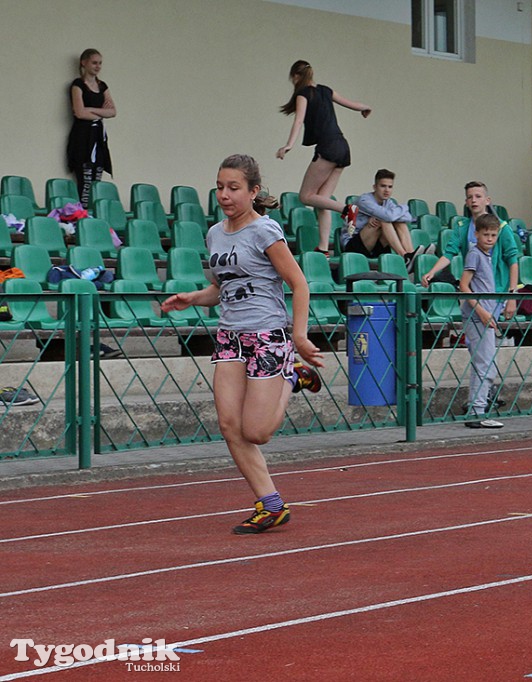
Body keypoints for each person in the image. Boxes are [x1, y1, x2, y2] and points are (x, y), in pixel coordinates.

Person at [161, 154, 324, 535]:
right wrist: (193, 297)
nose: (224, 195)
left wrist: (299, 336)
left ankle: (292, 376)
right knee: (229, 425)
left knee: (257, 432)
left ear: (253, 191)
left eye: (233, 188)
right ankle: (270, 504)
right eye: (219, 187)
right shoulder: (215, 234)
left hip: (267, 335)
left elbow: (299, 284)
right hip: (229, 337)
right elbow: (222, 288)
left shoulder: (266, 232)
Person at [276, 60, 371, 254]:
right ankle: (323, 248)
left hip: (328, 147)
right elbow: (351, 104)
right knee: (322, 200)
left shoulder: (303, 94)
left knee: (306, 196)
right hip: (342, 146)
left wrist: (289, 145)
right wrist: (364, 107)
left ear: (296, 76)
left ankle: (347, 209)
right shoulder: (326, 90)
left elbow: (299, 120)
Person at [421, 181, 520, 315]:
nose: (474, 200)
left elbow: (512, 261)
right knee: (474, 333)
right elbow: (449, 253)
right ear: (466, 202)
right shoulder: (462, 227)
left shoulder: (502, 228)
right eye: (470, 197)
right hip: (472, 291)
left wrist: (512, 296)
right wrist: (432, 272)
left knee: (487, 332)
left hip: (495, 292)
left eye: (478, 196)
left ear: (487, 200)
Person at [458, 213, 506, 429]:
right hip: (478, 316)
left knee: (486, 363)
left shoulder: (486, 256)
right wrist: (481, 311)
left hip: (487, 315)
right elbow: (464, 285)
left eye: (493, 235)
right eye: (485, 234)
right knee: (485, 364)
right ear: (476, 234)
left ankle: (476, 407)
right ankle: (477, 411)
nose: (489, 239)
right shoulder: (475, 255)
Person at [346, 169, 425, 271]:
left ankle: (411, 256)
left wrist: (401, 211)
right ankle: (403, 256)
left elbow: (408, 218)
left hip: (375, 243)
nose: (387, 190)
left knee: (399, 222)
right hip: (354, 244)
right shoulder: (364, 200)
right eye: (383, 186)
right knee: (384, 220)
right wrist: (405, 207)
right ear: (375, 187)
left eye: (390, 187)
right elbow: (388, 217)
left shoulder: (389, 202)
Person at [66, 49, 115, 208]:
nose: (98, 66)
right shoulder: (78, 85)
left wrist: (92, 111)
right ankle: (83, 213)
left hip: (98, 136)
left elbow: (112, 111)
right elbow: (79, 112)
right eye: (94, 62)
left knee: (97, 176)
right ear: (84, 63)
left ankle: (94, 211)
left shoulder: (102, 86)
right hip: (83, 136)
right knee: (85, 177)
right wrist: (101, 112)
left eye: (100, 63)